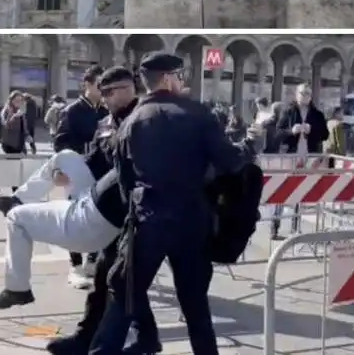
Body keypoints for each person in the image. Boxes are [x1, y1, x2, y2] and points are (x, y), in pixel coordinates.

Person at [89, 52, 247, 355]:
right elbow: (230, 161)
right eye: (180, 76)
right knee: (195, 307)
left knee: (125, 298)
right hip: (191, 224)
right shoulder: (198, 114)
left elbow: (124, 183)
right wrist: (252, 142)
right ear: (168, 78)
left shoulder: (130, 122)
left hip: (148, 223)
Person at [42, 66, 161, 355]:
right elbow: (93, 162)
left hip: (142, 214)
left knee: (116, 278)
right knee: (112, 278)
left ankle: (103, 341)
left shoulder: (149, 119)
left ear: (129, 89)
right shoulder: (106, 123)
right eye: (102, 92)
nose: (104, 98)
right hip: (111, 212)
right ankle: (121, 337)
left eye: (110, 92)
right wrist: (68, 171)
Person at [54, 65, 108, 289]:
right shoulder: (72, 111)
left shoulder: (105, 111)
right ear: (87, 84)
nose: (103, 89)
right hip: (77, 171)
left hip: (101, 173)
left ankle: (93, 261)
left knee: (99, 218)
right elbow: (60, 142)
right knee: (75, 219)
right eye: (99, 84)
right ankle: (75, 266)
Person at [270, 83, 328, 239]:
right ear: (296, 94)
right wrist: (291, 131)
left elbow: (325, 134)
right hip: (290, 156)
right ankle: (274, 227)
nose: (305, 96)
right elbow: (278, 133)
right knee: (282, 191)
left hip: (308, 157)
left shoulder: (317, 114)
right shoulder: (288, 111)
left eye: (308, 94)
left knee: (300, 192)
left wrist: (312, 130)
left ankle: (295, 228)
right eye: (302, 93)